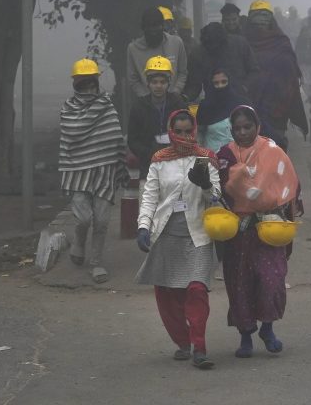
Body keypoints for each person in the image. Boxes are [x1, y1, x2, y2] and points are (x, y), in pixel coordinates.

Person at [135, 109, 220, 369]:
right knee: (166, 292)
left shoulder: (206, 158)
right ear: (171, 131)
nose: (184, 136)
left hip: (198, 236)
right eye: (179, 131)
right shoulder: (159, 160)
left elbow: (216, 197)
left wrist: (205, 184)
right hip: (167, 235)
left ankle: (199, 346)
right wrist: (143, 226)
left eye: (188, 131)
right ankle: (182, 342)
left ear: (194, 130)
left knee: (196, 290)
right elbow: (150, 197)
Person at [216, 105, 301, 359]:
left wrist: (281, 203)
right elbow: (219, 186)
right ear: (231, 130)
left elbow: (290, 183)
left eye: (247, 127)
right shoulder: (225, 155)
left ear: (257, 126)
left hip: (268, 228)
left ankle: (267, 328)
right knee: (240, 284)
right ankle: (245, 336)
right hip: (238, 232)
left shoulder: (272, 151)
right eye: (238, 128)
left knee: (271, 279)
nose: (243, 132)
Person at [58, 59, 128, 284]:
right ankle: (79, 242)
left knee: (102, 220)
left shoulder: (107, 106)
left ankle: (96, 263)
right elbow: (71, 133)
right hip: (78, 171)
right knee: (83, 219)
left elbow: (114, 135)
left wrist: (119, 160)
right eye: (84, 86)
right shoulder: (68, 109)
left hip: (105, 171)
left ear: (97, 84)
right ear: (76, 86)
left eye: (92, 85)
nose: (89, 90)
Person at [243, 0, 308, 151]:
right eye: (256, 18)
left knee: (274, 157)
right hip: (247, 111)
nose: (260, 23)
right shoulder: (242, 43)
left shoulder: (281, 43)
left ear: (271, 20)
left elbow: (291, 78)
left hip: (276, 111)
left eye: (264, 18)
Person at [128, 56, 188, 183]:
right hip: (149, 168)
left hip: (177, 166)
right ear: (148, 83)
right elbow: (132, 141)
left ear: (169, 83)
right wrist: (150, 153)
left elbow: (189, 133)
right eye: (154, 82)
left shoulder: (179, 104)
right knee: (148, 203)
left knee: (177, 202)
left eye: (162, 82)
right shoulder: (138, 107)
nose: (158, 86)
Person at [183, 21, 258, 101]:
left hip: (240, 100)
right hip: (213, 102)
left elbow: (254, 70)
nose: (213, 47)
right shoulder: (198, 54)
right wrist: (185, 98)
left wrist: (244, 87)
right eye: (209, 45)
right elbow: (194, 85)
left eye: (216, 45)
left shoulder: (240, 45)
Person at [126, 6, 189, 99]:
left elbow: (182, 72)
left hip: (173, 100)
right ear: (143, 28)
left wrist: (175, 93)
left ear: (163, 26)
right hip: (146, 104)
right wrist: (147, 98)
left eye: (156, 27)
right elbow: (133, 79)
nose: (153, 32)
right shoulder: (133, 49)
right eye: (149, 28)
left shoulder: (176, 43)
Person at [196, 69, 247, 153]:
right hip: (212, 158)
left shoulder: (242, 104)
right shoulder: (205, 106)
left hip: (240, 158)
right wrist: (201, 164)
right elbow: (199, 135)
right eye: (216, 83)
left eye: (224, 82)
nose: (220, 86)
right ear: (211, 85)